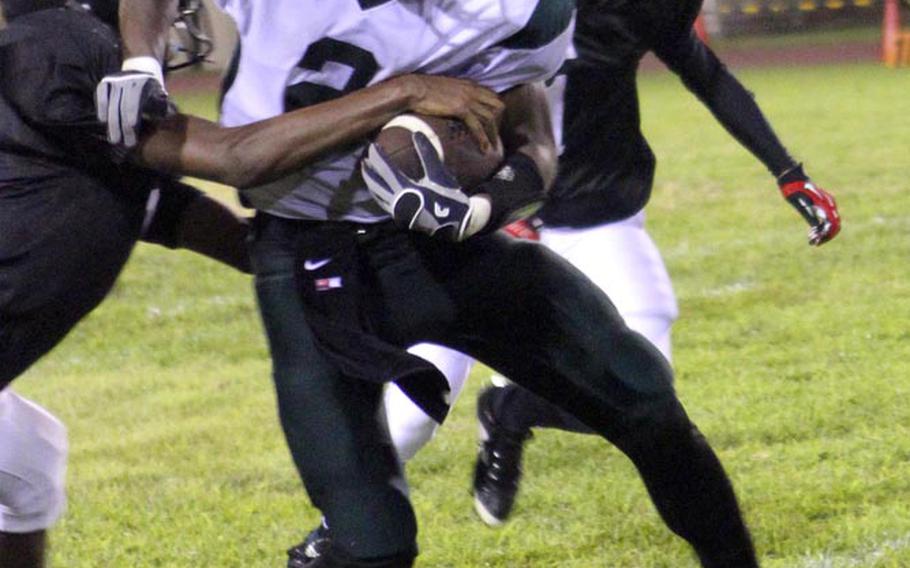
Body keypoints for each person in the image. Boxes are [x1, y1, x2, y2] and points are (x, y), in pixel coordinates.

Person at [104, 1, 761, 567]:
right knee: (374, 544)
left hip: (446, 247)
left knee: (644, 400)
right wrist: (140, 60)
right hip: (311, 258)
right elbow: (239, 161)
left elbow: (534, 138)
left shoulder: (526, 11)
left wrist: (484, 206)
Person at [0, 1, 500, 567]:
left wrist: (322, 256)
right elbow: (233, 158)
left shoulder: (67, 106)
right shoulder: (61, 43)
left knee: (29, 457)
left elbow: (167, 210)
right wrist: (402, 92)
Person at [373, 0, 844, 530]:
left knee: (647, 384)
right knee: (412, 414)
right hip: (477, 227)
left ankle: (511, 412)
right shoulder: (476, 10)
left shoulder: (633, 8)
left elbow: (706, 74)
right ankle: (338, 534)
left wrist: (787, 171)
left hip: (596, 219)